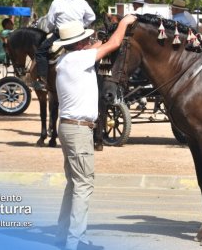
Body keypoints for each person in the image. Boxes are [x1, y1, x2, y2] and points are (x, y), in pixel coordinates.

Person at [54, 14, 137, 250]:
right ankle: (75, 241)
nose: (89, 41)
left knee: (74, 183)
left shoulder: (67, 59)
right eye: (85, 40)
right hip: (78, 130)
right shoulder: (79, 59)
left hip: (70, 128)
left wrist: (102, 39)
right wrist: (123, 24)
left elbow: (99, 45)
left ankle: (64, 236)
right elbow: (112, 45)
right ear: (79, 44)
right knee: (83, 185)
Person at [34, 0, 96, 91]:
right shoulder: (81, 1)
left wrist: (50, 29)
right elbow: (92, 17)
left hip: (61, 35)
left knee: (40, 52)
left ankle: (43, 81)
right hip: (80, 35)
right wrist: (82, 26)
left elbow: (50, 21)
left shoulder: (57, 2)